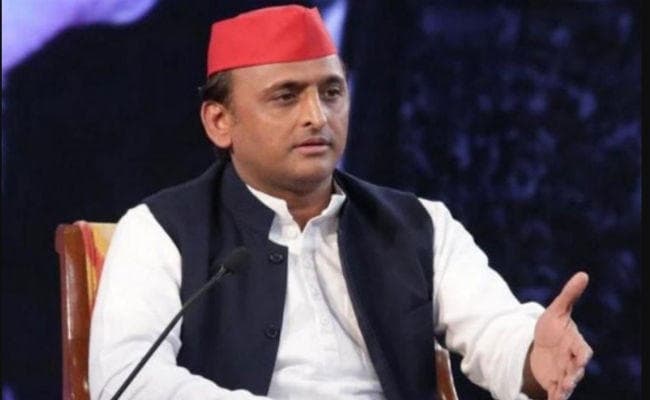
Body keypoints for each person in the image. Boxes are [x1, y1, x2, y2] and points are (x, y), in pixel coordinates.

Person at [88, 5, 593, 400]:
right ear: (220, 122)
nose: (317, 116)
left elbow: (493, 328)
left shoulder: (420, 225)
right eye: (286, 96)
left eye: (332, 92)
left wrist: (533, 357)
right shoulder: (158, 231)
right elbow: (128, 381)